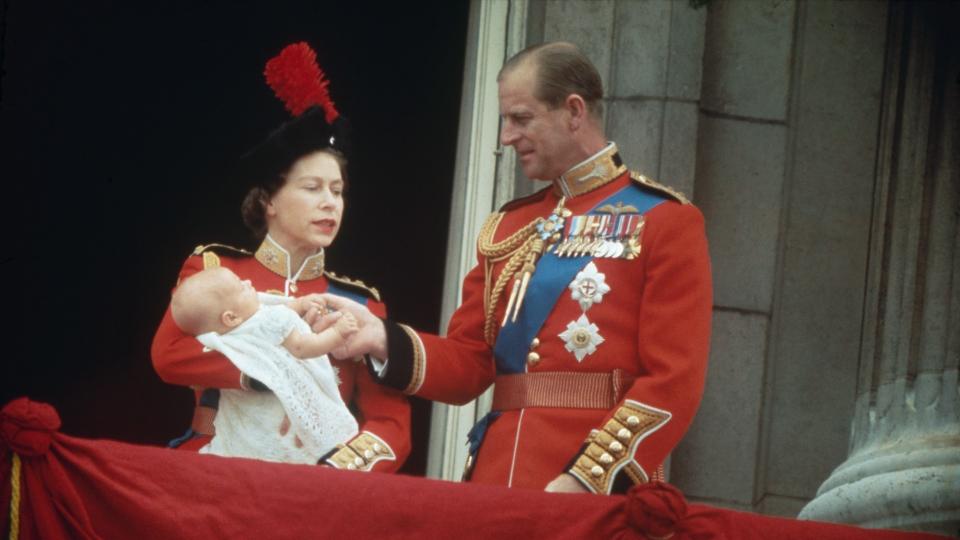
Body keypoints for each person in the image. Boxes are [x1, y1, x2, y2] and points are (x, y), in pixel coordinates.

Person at [321, 41, 712, 493]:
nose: (506, 136)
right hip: (496, 479)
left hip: (594, 490)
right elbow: (469, 364)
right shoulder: (511, 225)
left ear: (573, 111)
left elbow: (673, 381)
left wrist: (586, 479)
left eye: (521, 119)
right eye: (505, 120)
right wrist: (378, 337)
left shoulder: (664, 220)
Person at [152, 42, 410, 473]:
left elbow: (390, 422)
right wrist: (263, 372)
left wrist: (337, 472)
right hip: (216, 467)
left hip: (317, 482)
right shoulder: (215, 269)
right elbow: (169, 355)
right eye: (312, 188)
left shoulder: (361, 303)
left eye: (337, 191)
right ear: (268, 201)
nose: (330, 203)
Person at [169, 266, 360, 464]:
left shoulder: (215, 337)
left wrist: (300, 303)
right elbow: (302, 348)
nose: (249, 282)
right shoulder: (274, 319)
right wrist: (338, 333)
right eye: (241, 286)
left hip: (242, 438)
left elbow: (266, 315)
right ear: (231, 318)